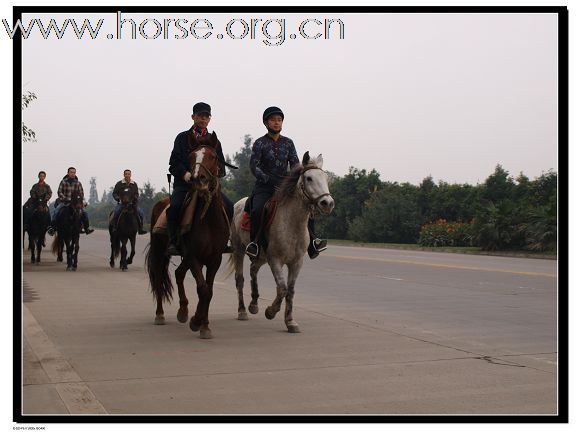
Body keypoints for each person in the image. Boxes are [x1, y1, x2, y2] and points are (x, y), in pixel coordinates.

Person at [245, 106, 327, 259]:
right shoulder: (259, 143)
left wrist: (292, 180)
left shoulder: (288, 143)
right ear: (266, 123)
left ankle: (313, 242)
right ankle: (254, 243)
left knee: (306, 205)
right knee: (257, 209)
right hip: (264, 187)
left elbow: (295, 165)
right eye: (273, 120)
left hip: (285, 187)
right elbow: (253, 166)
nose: (277, 123)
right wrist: (268, 180)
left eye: (279, 120)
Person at [166, 102, 234, 256]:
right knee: (175, 206)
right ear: (193, 117)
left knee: (229, 205)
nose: (203, 119)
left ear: (209, 119)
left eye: (206, 116)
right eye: (200, 116)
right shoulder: (182, 138)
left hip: (207, 187)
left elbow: (221, 167)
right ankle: (173, 242)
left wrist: (214, 176)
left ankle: (225, 240)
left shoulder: (214, 140)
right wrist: (186, 175)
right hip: (185, 185)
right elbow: (173, 164)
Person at [47, 167, 94, 235]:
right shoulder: (63, 182)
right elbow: (59, 192)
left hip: (75, 203)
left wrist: (82, 201)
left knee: (84, 213)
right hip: (65, 202)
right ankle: (52, 228)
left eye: (74, 172)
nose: (73, 174)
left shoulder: (78, 183)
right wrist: (66, 198)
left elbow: (81, 194)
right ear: (68, 173)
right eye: (71, 172)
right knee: (56, 210)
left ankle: (86, 228)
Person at [111, 169, 148, 235]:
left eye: (128, 174)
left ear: (130, 175)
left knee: (141, 213)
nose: (127, 175)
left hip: (132, 205)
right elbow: (114, 193)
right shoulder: (119, 184)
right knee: (116, 212)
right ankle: (114, 228)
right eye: (126, 174)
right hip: (122, 204)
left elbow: (136, 194)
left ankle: (140, 229)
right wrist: (118, 198)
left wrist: (135, 198)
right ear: (124, 175)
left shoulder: (134, 184)